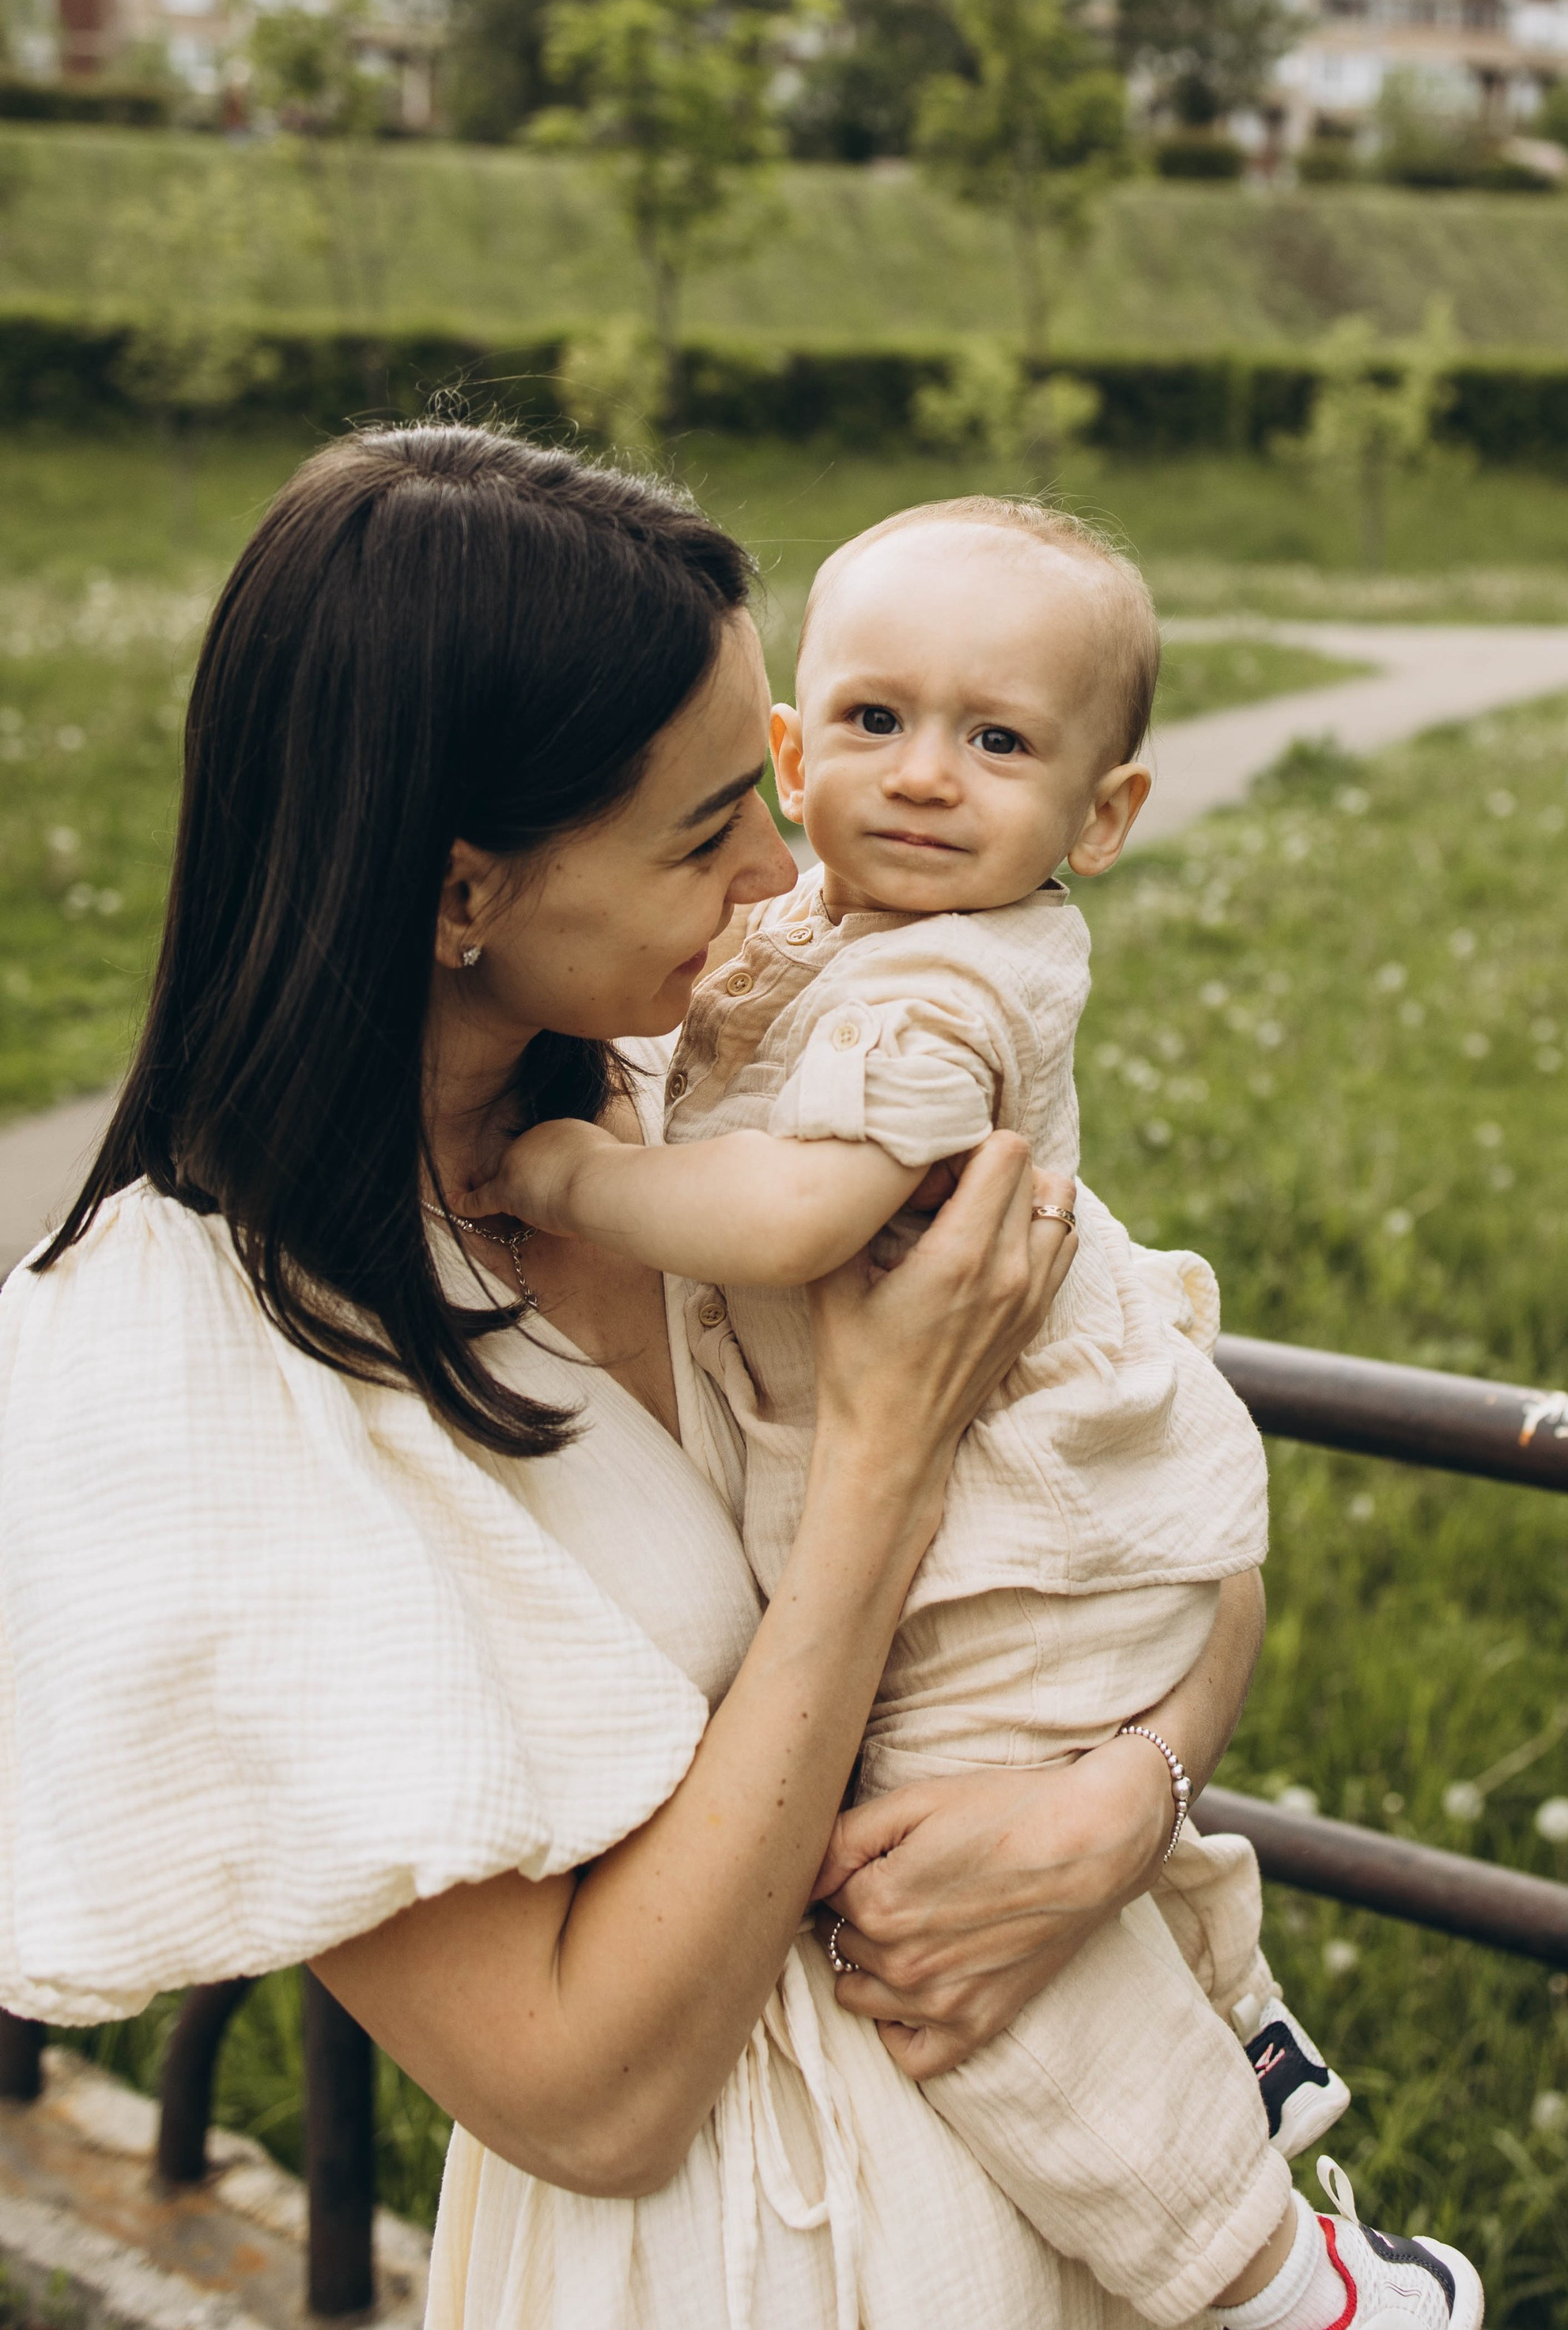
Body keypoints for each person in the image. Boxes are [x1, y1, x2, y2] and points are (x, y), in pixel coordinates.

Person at [0, 426, 1256, 2330]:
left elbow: (1147, 1494)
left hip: (1053, 2210)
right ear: (457, 896)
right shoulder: (190, 1381)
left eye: (769, 775)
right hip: (715, 2273)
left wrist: (1123, 1799)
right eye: (701, 831)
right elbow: (588, 2097)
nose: (784, 869)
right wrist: (877, 1475)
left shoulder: (720, 1116)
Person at [486, 497, 1484, 2330]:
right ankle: (1242, 2051)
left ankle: (1277, 2282)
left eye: (999, 740)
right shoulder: (808, 944)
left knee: (951, 1958)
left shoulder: (949, 979)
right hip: (1011, 1543)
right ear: (792, 754)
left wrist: (567, 1176)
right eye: (871, 723)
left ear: (1100, 819)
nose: (926, 778)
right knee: (1008, 1877)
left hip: (1009, 1540)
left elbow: (797, 1212)